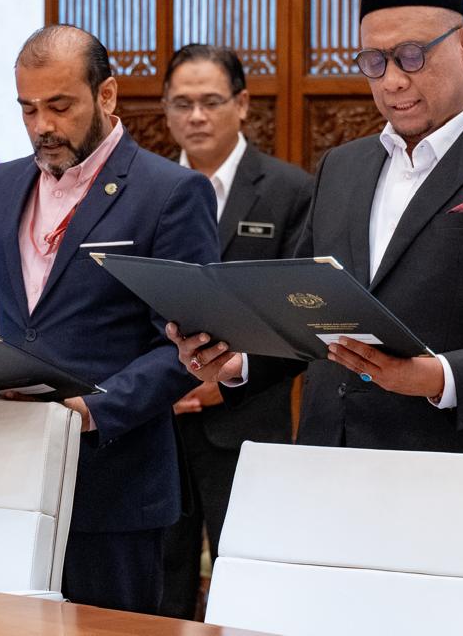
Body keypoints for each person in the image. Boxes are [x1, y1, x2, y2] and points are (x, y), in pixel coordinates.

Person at [168, 0, 463, 463]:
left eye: (412, 55)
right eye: (375, 61)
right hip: (331, 460)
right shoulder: (341, 167)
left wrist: (438, 377)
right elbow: (304, 314)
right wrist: (235, 363)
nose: (392, 80)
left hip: (457, 467)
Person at [0, 25, 219, 614]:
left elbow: (189, 346)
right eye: (28, 109)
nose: (43, 126)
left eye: (60, 107)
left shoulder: (170, 192)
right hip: (6, 474)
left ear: (106, 95)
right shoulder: (2, 184)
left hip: (114, 483)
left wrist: (92, 410)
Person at [158, 44, 312, 620]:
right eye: (182, 103)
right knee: (159, 590)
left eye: (211, 102)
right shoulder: (147, 187)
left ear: (242, 104)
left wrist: (224, 378)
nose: (196, 116)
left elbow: (300, 316)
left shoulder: (289, 191)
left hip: (248, 422)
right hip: (156, 422)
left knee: (247, 589)